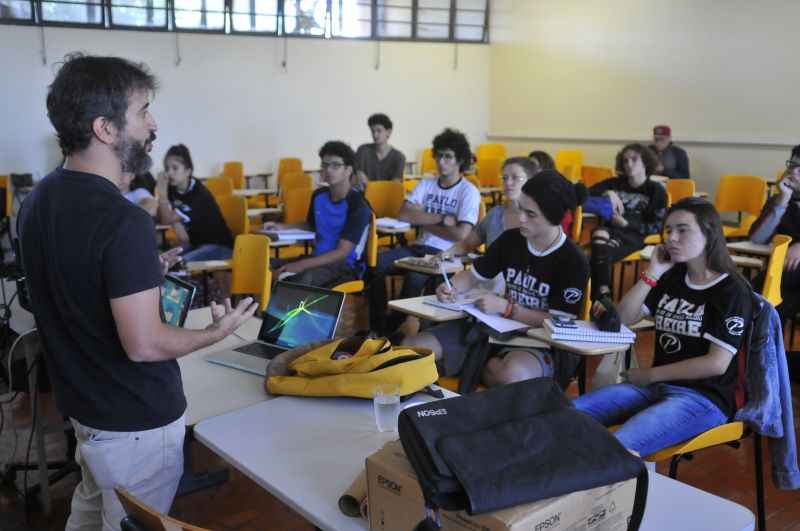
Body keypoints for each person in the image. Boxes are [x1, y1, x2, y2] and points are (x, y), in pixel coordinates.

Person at [19, 54, 258, 531]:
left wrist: (140, 270)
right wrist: (214, 333)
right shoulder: (122, 219)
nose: (153, 123)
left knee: (90, 514)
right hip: (134, 426)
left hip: (86, 414)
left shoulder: (39, 199)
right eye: (144, 110)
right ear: (106, 128)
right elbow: (145, 344)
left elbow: (76, 283)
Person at [573, 198, 753, 458]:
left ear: (709, 232)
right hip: (656, 387)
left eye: (682, 230)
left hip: (703, 398)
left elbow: (716, 364)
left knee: (615, 447)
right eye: (668, 230)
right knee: (569, 413)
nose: (671, 238)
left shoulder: (732, 290)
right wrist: (653, 272)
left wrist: (651, 374)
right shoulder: (673, 277)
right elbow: (623, 318)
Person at [401, 170, 588, 385]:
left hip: (536, 340)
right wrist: (451, 286)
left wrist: (509, 309)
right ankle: (472, 367)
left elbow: (559, 322)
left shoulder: (573, 260)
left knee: (509, 375)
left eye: (531, 214)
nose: (521, 218)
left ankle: (469, 367)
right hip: (491, 328)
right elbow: (473, 276)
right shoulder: (511, 240)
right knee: (412, 347)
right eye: (520, 210)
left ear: (554, 217)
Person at [369, 128, 480, 335]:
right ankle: (376, 325)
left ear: (460, 160)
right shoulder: (427, 183)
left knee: (414, 279)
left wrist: (421, 219)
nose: (441, 161)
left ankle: (390, 329)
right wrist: (441, 219)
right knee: (373, 264)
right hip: (417, 248)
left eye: (448, 156)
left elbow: (461, 235)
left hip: (445, 254)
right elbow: (403, 214)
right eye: (438, 155)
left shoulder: (468, 192)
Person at [265, 141, 372, 287]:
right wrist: (282, 227)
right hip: (316, 259)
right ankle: (253, 309)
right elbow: (311, 225)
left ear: (348, 170)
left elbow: (342, 252)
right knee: (263, 265)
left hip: (344, 266)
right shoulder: (318, 196)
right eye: (325, 165)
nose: (328, 170)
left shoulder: (358, 205)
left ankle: (280, 309)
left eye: (335, 165)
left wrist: (302, 265)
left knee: (299, 279)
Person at [588, 143, 668, 300]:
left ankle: (601, 294)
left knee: (596, 255)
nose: (629, 164)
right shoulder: (614, 183)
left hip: (634, 234)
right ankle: (603, 293)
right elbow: (584, 192)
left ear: (645, 161)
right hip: (610, 230)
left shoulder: (656, 190)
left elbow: (657, 226)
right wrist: (608, 192)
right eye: (625, 161)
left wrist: (626, 224)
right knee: (599, 234)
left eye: (634, 159)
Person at [749, 145, 800, 381]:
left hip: (787, 277)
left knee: (765, 304)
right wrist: (783, 200)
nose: (794, 171)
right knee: (764, 306)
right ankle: (768, 365)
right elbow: (758, 237)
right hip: (782, 278)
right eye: (792, 165)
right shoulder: (781, 199)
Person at [157, 144, 234, 262]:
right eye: (167, 168)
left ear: (188, 171)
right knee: (163, 260)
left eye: (175, 168)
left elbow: (167, 220)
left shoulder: (199, 194)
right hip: (196, 244)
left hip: (218, 246)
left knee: (178, 265)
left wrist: (162, 195)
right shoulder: (173, 189)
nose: (169, 173)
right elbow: (178, 231)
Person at [354, 113, 406, 190]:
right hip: (365, 197)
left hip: (387, 197)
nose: (375, 135)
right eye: (372, 131)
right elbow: (359, 177)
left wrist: (373, 189)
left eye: (379, 131)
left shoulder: (399, 157)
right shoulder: (363, 150)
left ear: (388, 132)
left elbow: (394, 185)